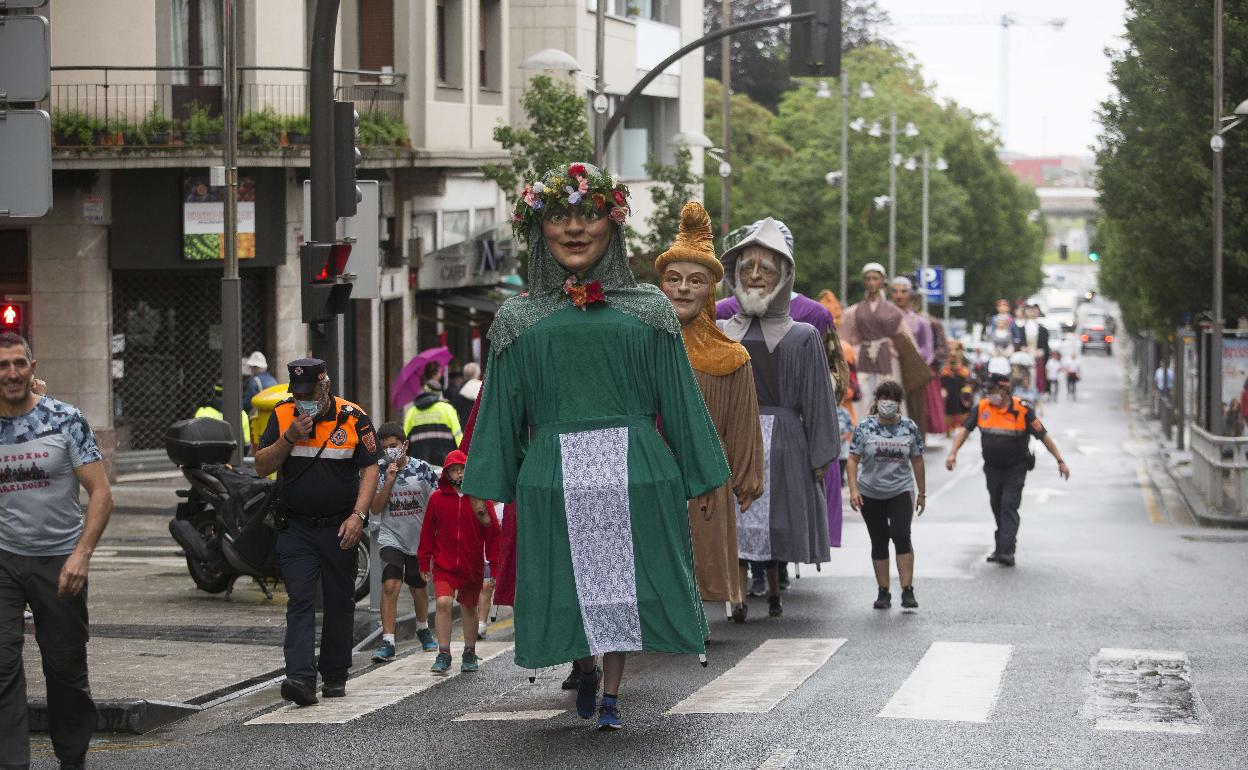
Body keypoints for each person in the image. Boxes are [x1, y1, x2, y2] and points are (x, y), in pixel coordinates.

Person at [461, 161, 728, 731]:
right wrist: (483, 487)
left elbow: (680, 399)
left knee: (623, 590)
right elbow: (501, 412)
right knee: (564, 585)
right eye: (559, 216)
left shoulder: (651, 310)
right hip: (553, 475)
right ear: (539, 229)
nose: (575, 229)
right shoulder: (516, 319)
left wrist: (704, 477)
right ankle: (583, 666)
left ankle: (610, 692)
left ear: (612, 223)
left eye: (588, 214)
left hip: (637, 470)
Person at [0, 333, 113, 770]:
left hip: (60, 560)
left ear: (32, 365)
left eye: (18, 364)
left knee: (65, 671)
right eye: (2, 365)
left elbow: (101, 493)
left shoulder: (65, 420)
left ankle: (72, 759)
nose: (11, 373)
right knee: (3, 666)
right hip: (5, 560)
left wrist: (82, 554)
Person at [717, 217, 839, 618]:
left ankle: (773, 585)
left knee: (778, 517)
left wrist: (821, 455)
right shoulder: (719, 329)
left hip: (784, 440)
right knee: (733, 520)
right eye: (746, 268)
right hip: (731, 440)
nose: (754, 276)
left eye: (766, 268)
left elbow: (819, 400)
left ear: (784, 276)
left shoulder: (802, 335)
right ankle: (736, 591)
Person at [656, 201, 765, 624]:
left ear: (709, 291)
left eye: (694, 281)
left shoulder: (731, 356)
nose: (683, 288)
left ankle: (693, 618)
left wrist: (745, 477)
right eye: (673, 279)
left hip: (706, 472)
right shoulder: (642, 344)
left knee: (699, 549)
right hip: (652, 470)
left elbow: (741, 425)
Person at [254, 358, 380, 706]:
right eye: (299, 394)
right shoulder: (283, 414)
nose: (303, 400)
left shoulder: (353, 417)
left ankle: (335, 674)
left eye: (310, 393)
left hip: (340, 526)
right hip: (296, 527)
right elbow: (262, 465)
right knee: (300, 600)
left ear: (326, 385)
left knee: (340, 602)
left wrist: (358, 515)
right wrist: (288, 439)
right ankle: (300, 678)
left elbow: (371, 468)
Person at [944, 372, 1070, 566]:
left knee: (1008, 506)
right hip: (992, 468)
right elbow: (964, 430)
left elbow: (1043, 436)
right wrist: (953, 453)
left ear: (1004, 390)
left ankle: (1006, 550)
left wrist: (1060, 460)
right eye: (986, 390)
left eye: (992, 390)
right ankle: (1001, 546)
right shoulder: (983, 407)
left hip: (1016, 467)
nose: (988, 394)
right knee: (997, 505)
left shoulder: (1022, 410)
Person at [417, 450, 499, 674]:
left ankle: (469, 651)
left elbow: (492, 533)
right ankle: (443, 653)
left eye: (462, 469)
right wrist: (424, 562)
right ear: (447, 474)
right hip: (443, 564)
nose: (459, 473)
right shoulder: (437, 499)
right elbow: (427, 532)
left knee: (469, 608)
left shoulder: (481, 498)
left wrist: (495, 563)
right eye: (454, 470)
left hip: (471, 564)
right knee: (443, 603)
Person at [846, 380, 926, 610]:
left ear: (899, 404)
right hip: (870, 492)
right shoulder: (865, 428)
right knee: (879, 540)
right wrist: (853, 489)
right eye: (884, 398)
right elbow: (853, 459)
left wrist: (922, 493)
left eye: (892, 399)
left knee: (901, 535)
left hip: (900, 490)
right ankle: (883, 591)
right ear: (877, 401)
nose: (888, 404)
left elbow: (917, 460)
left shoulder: (909, 428)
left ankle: (907, 589)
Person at [369, 422, 440, 662]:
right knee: (390, 584)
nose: (390, 451)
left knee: (418, 586)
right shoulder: (378, 472)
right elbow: (376, 508)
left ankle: (423, 628)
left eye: (394, 446)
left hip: (419, 539)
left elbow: (437, 504)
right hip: (391, 537)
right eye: (385, 447)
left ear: (405, 445)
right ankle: (388, 640)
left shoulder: (422, 470)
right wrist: (388, 481)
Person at [839, 263, 928, 417]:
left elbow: (907, 339)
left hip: (888, 357)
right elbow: (844, 338)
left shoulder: (894, 312)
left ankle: (893, 431)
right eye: (868, 279)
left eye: (876, 278)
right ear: (864, 282)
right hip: (863, 356)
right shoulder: (853, 311)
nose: (872, 282)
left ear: (883, 281)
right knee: (864, 394)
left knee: (890, 393)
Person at [402, 383, 463, 466]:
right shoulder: (448, 409)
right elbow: (458, 437)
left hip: (418, 466)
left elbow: (404, 441)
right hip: (444, 464)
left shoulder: (411, 412)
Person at [194, 383, 251, 447]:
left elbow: (195, 440)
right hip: (233, 454)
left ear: (214, 392)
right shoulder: (241, 413)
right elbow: (246, 444)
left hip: (207, 454)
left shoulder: (201, 412)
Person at [940, 342, 973, 434]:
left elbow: (969, 383)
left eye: (956, 350)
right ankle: (947, 429)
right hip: (948, 389)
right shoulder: (944, 371)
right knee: (948, 406)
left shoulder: (965, 371)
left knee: (963, 405)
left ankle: (964, 427)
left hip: (961, 389)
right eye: (950, 350)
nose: (953, 353)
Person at [456, 362, 483, 427]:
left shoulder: (459, 389)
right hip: (479, 426)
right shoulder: (483, 388)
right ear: (478, 374)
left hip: (463, 427)